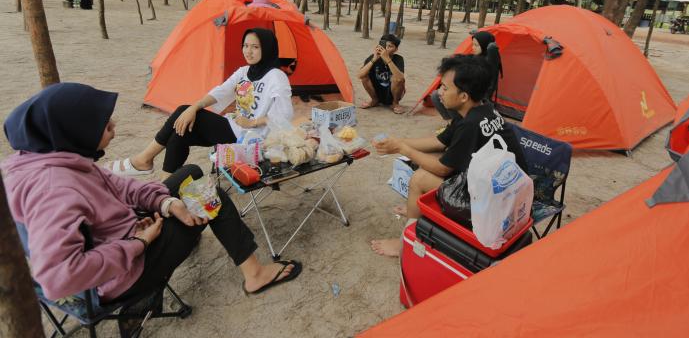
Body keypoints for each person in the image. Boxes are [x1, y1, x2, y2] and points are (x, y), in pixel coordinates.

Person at [1, 83, 302, 308]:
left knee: (190, 173)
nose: (114, 127)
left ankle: (183, 226)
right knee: (213, 196)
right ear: (74, 131)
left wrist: (167, 203)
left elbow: (121, 187)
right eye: (105, 125)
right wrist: (137, 243)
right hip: (120, 275)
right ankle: (255, 275)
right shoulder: (53, 190)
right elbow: (59, 279)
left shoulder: (49, 156)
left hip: (117, 238)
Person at [370, 55, 525, 257]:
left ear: (463, 96)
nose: (439, 93)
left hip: (498, 206)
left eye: (444, 88)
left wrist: (402, 149)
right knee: (429, 157)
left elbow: (443, 169)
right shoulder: (479, 109)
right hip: (501, 188)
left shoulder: (470, 125)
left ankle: (404, 245)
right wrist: (399, 141)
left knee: (419, 179)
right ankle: (414, 210)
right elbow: (439, 142)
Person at [110, 28, 293, 176]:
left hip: (254, 139)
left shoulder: (276, 77)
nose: (248, 51)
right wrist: (195, 107)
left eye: (255, 47)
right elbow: (221, 91)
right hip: (235, 127)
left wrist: (252, 122)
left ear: (267, 49)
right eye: (245, 45)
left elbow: (284, 116)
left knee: (183, 112)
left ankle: (143, 160)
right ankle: (165, 188)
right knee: (180, 133)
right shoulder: (244, 71)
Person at [431, 31, 503, 120]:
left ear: (485, 46)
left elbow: (485, 88)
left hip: (475, 95)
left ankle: (458, 122)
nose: (473, 48)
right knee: (436, 95)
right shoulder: (474, 59)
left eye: (476, 45)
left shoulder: (489, 62)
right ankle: (451, 121)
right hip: (465, 89)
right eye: (473, 44)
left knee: (448, 97)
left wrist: (492, 49)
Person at [358, 33, 406, 114]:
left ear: (396, 49)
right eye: (384, 45)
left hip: (394, 93)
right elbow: (360, 75)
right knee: (364, 76)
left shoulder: (398, 59)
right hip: (377, 91)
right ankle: (374, 100)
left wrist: (387, 59)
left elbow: (400, 79)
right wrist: (374, 59)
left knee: (396, 78)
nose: (386, 49)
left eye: (390, 46)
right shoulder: (373, 57)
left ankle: (395, 103)